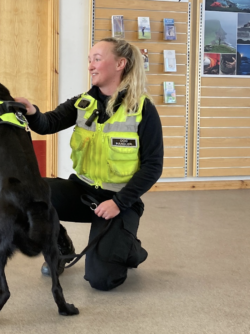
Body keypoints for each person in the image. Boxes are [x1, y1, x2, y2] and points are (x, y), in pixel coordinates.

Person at [15, 37, 163, 291]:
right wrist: (32, 112)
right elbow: (48, 123)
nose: (90, 66)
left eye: (97, 59)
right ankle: (61, 245)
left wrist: (118, 203)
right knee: (25, 195)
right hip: (83, 192)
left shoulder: (143, 110)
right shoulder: (83, 102)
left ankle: (130, 249)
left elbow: (153, 167)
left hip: (119, 201)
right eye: (89, 60)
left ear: (120, 64)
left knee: (102, 280)